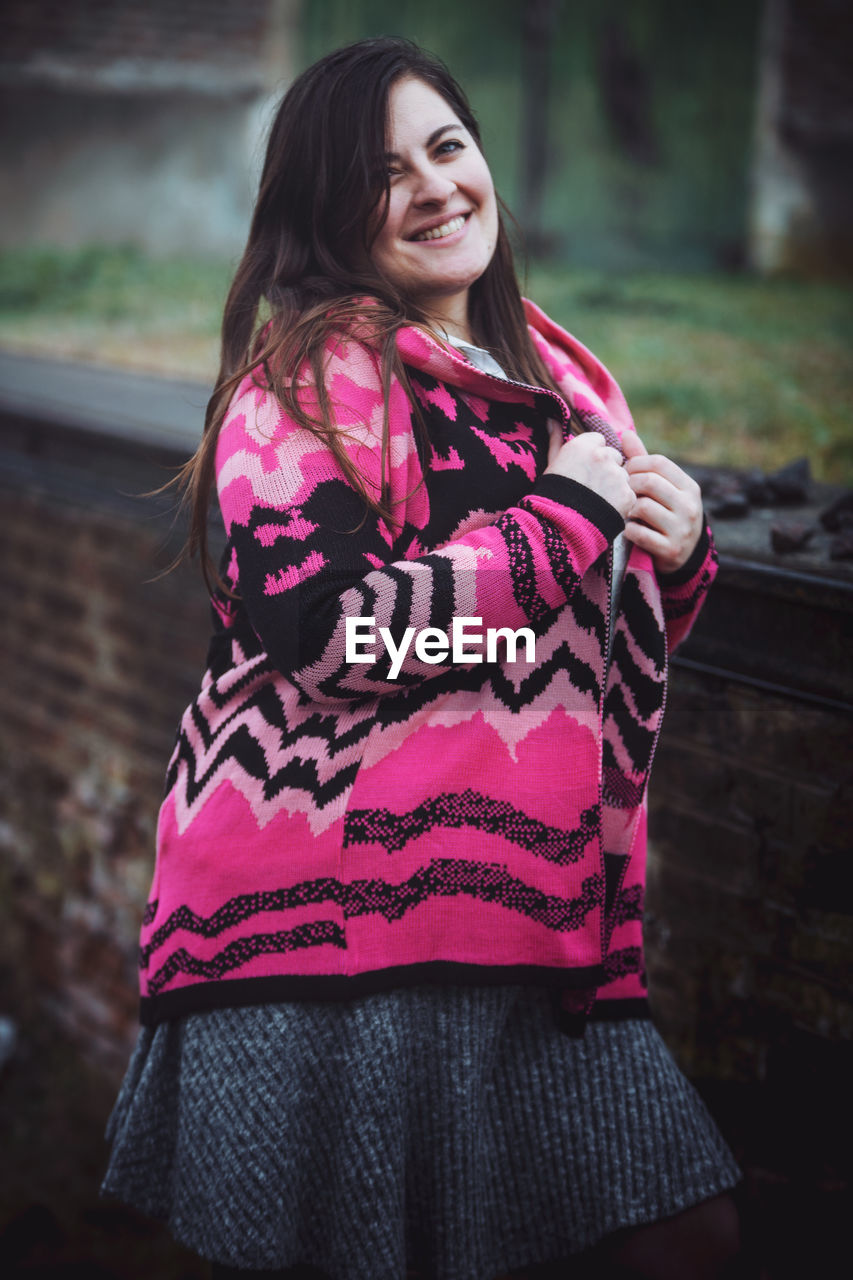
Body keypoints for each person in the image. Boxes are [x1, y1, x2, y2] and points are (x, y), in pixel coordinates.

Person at [102, 36, 743, 1280]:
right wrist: (561, 524)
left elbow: (539, 646)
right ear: (324, 212)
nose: (437, 185)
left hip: (525, 904)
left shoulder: (551, 383)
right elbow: (338, 639)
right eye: (383, 172)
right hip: (331, 910)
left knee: (682, 1235)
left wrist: (671, 560)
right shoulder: (305, 382)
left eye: (448, 145)